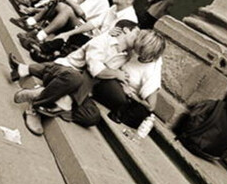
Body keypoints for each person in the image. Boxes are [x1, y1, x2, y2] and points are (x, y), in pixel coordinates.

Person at [7, 21, 139, 136]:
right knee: (76, 77)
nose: (138, 38)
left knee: (92, 117)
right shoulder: (103, 40)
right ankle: (36, 108)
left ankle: (47, 95)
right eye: (137, 33)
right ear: (126, 30)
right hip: (64, 74)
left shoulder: (126, 56)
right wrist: (116, 74)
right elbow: (96, 71)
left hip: (80, 89)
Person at [22, 0, 139, 61]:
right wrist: (70, 33)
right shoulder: (114, 8)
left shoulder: (129, 19)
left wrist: (73, 33)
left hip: (102, 48)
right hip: (94, 37)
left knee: (69, 19)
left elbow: (109, 41)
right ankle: (42, 43)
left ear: (130, 0)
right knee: (68, 20)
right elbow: (94, 23)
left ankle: (43, 47)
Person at [92, 29, 166, 129]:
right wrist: (110, 33)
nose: (136, 49)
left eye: (141, 50)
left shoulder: (151, 71)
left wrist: (130, 94)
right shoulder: (137, 47)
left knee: (115, 93)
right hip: (113, 76)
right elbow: (129, 31)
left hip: (124, 95)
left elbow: (151, 106)